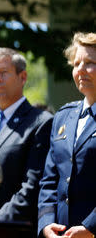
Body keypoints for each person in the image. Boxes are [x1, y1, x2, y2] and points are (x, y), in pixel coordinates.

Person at [0, 48, 53, 227]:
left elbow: (32, 187)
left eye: (3, 73)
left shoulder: (41, 123)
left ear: (23, 77)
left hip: (12, 229)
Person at [38, 33, 96, 238]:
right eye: (76, 63)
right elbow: (49, 180)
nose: (80, 70)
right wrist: (46, 224)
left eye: (89, 63)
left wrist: (91, 227)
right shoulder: (63, 117)